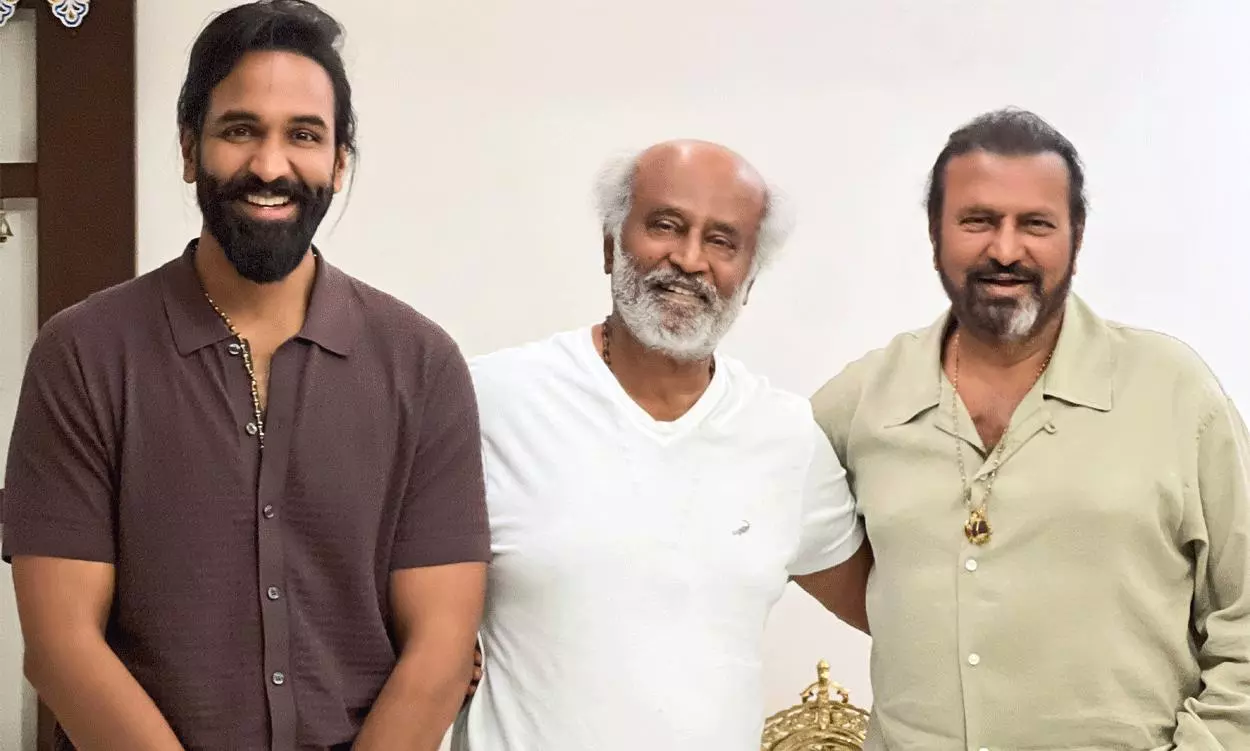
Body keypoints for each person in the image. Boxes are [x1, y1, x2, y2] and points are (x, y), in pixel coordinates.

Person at [2, 2, 489, 749]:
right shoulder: (84, 354)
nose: (270, 166)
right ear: (190, 149)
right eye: (239, 130)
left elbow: (441, 650)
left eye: (304, 135)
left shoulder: (422, 366)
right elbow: (62, 647)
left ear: (340, 161)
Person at [812, 107, 1250, 750]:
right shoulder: (864, 399)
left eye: (1036, 224)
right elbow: (761, 502)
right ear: (934, 235)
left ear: (1076, 237)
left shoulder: (1174, 392)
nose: (1005, 249)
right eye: (978, 220)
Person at [452, 139, 873, 751]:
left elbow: (894, 613)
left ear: (750, 279)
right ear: (610, 245)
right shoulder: (490, 399)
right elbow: (366, 577)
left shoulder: (786, 436)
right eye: (665, 226)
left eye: (722, 241)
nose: (689, 259)